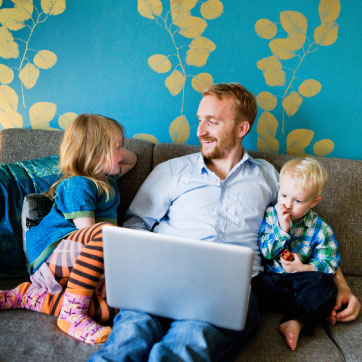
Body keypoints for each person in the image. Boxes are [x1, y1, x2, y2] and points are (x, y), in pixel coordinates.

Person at [90, 83, 360, 362]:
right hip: (162, 280)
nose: (200, 131)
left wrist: (340, 284)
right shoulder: (172, 170)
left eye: (212, 122)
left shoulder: (268, 176)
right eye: (199, 120)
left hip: (231, 291)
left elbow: (307, 229)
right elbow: (135, 226)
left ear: (242, 129)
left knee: (188, 341)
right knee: (130, 337)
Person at [0, 114, 137, 345]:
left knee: (115, 308)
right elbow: (88, 234)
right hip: (52, 254)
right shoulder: (78, 185)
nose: (122, 153)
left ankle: (30, 297)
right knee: (105, 234)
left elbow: (132, 160)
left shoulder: (108, 179)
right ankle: (72, 316)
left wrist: (117, 149)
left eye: (121, 147)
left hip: (79, 268)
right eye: (117, 148)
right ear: (95, 153)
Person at [253, 157, 340, 351]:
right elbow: (266, 252)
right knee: (251, 284)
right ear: (279, 188)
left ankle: (295, 321)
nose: (288, 205)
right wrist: (282, 230)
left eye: (298, 200)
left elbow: (329, 263)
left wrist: (304, 268)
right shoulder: (270, 215)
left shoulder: (321, 229)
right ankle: (317, 309)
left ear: (314, 202)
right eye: (283, 195)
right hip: (270, 282)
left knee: (328, 286)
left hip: (300, 284)